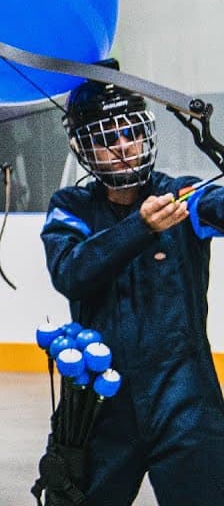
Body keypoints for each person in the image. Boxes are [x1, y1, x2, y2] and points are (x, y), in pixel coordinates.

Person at [39, 65, 224, 505]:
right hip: (102, 405)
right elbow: (71, 273)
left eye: (129, 133)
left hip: (186, 401)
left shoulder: (183, 197)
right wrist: (139, 229)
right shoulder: (70, 207)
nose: (122, 147)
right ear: (84, 148)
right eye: (106, 139)